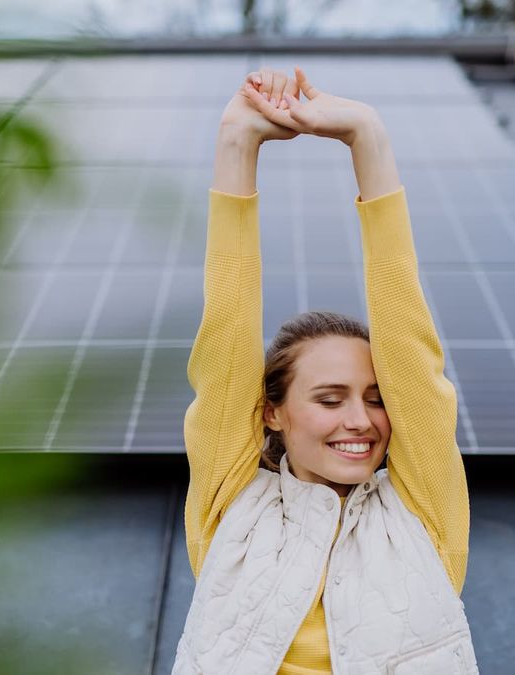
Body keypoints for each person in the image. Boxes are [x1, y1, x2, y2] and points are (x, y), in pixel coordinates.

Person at [172, 67, 479, 674]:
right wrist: (238, 141)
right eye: (330, 398)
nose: (361, 420)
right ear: (273, 411)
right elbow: (227, 326)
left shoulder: (422, 513)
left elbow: (412, 351)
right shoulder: (231, 505)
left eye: (375, 396)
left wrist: (366, 136)